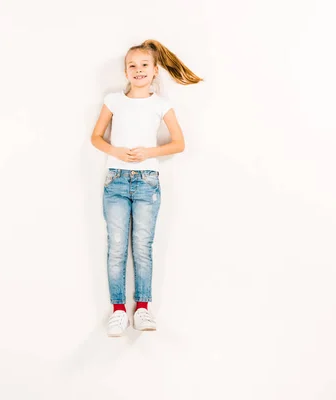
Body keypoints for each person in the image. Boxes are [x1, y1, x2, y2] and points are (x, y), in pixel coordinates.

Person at [90, 39, 203, 337]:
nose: (138, 70)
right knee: (116, 247)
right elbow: (96, 138)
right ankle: (118, 311)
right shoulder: (113, 101)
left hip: (147, 182)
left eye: (144, 66)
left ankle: (142, 308)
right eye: (132, 65)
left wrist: (147, 153)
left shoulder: (161, 104)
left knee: (142, 246)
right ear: (125, 71)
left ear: (155, 71)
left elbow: (179, 143)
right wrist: (115, 152)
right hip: (115, 180)